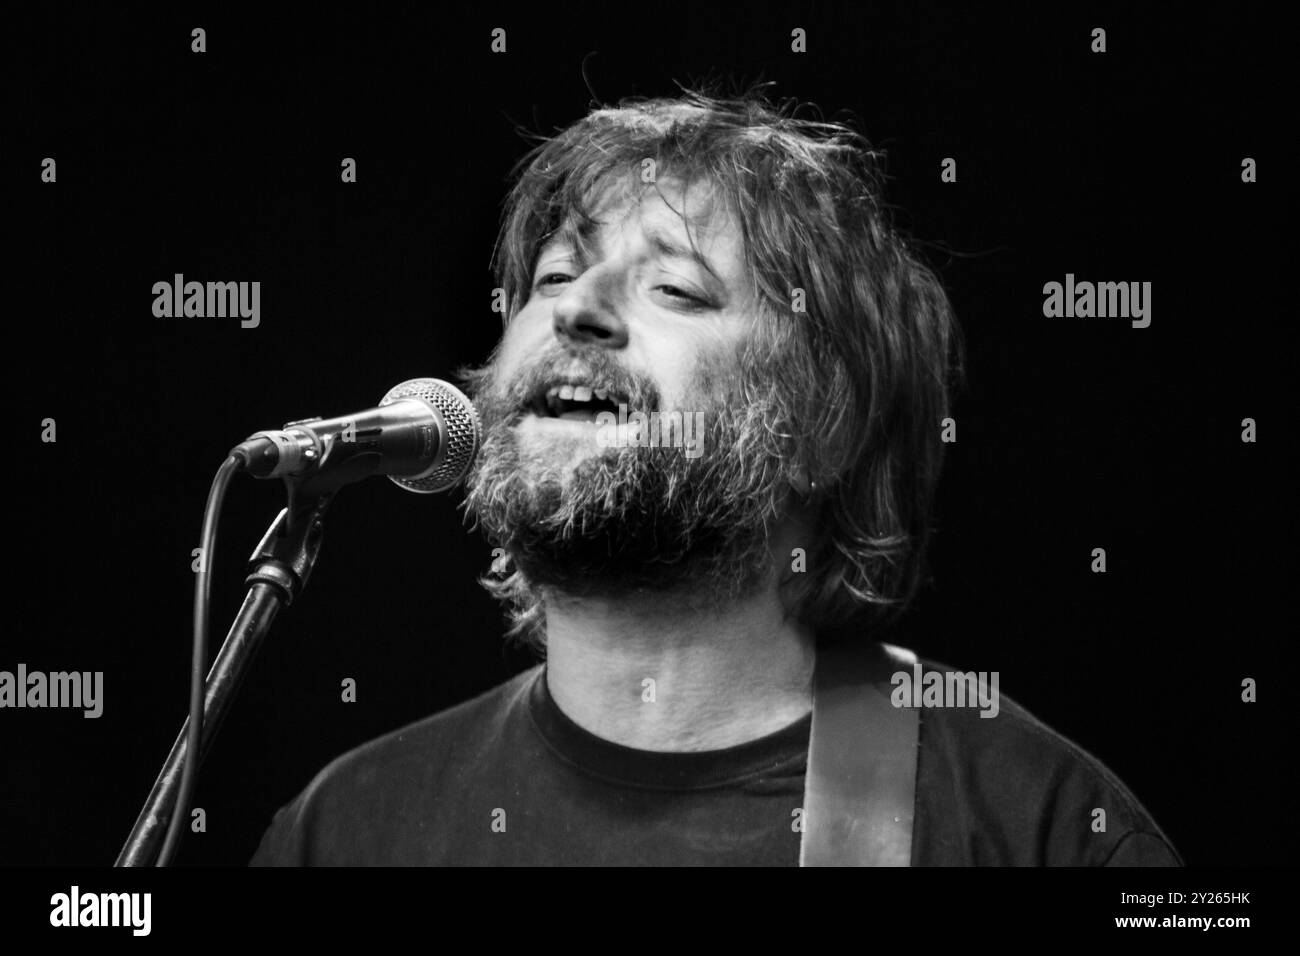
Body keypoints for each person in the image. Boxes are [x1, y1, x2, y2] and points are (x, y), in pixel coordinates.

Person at [250, 89, 1181, 866]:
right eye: (554, 274)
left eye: (676, 290)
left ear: (821, 430)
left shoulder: (1038, 829)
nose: (578, 308)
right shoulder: (344, 830)